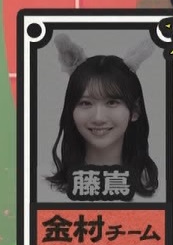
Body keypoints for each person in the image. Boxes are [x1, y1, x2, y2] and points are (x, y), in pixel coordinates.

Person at [46, 35, 160, 201]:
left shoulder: (158, 193)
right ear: (71, 110)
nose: (98, 118)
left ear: (135, 111)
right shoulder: (50, 194)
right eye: (86, 103)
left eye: (112, 102)